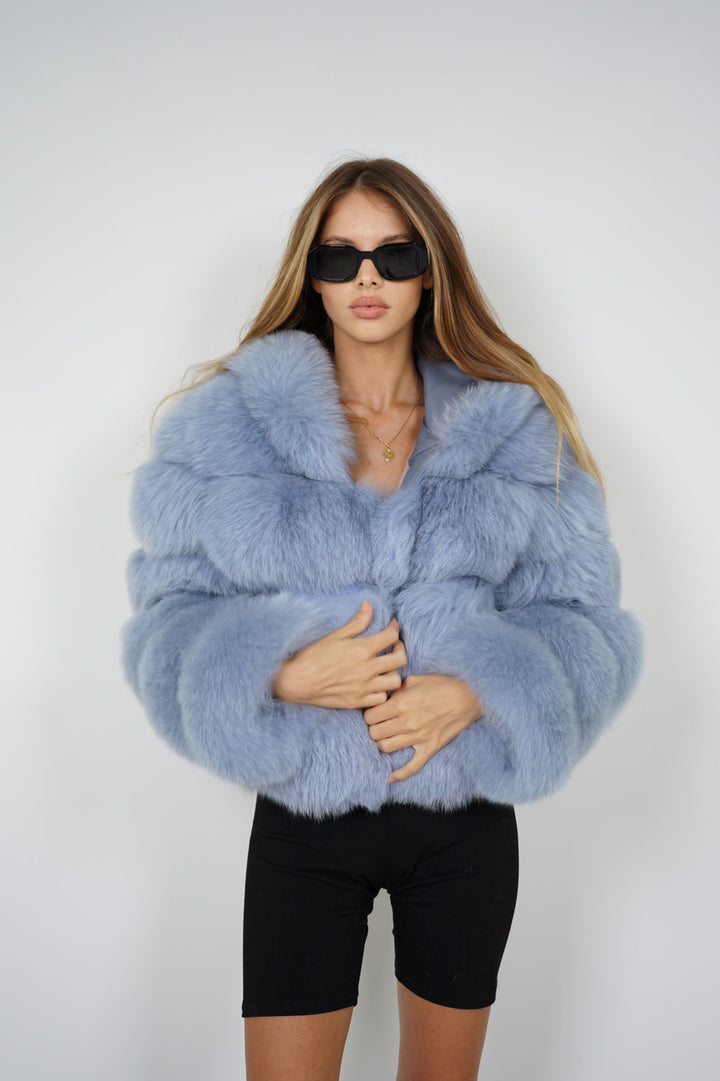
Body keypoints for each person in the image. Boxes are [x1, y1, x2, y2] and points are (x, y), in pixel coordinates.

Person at [120, 157, 644, 1081]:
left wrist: (478, 690)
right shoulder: (225, 427)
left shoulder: (513, 430)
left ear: (430, 270)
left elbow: (586, 618)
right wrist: (280, 672)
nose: (369, 276)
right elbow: (165, 620)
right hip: (304, 822)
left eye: (395, 254)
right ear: (313, 274)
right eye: (343, 255)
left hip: (463, 822)